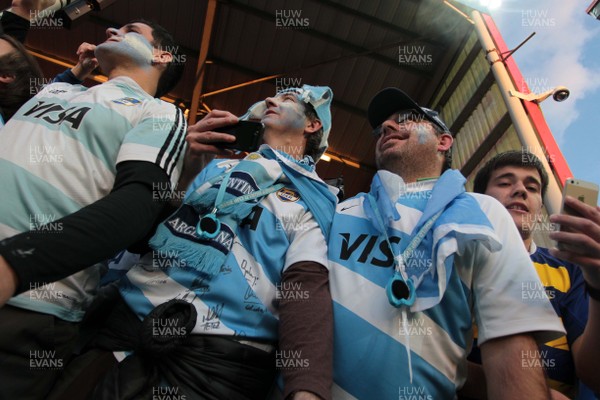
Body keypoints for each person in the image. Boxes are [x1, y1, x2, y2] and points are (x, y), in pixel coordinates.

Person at [47, 84, 337, 400]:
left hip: (207, 370)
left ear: (313, 124)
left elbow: (305, 290)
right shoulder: (216, 168)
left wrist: (307, 389)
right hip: (119, 334)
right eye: (273, 96)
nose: (270, 99)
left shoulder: (316, 201)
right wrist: (187, 167)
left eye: (288, 98)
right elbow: (144, 238)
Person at [327, 88, 566, 399]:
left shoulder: (482, 212)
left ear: (443, 142)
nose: (387, 127)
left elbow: (510, 344)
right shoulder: (336, 208)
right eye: (383, 125)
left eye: (407, 120)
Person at [0, 19, 186, 399]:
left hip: (26, 306)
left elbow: (137, 207)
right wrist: (75, 72)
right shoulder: (58, 91)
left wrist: (14, 264)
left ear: (161, 55)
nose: (110, 31)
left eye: (130, 29)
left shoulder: (159, 114)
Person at [468, 150, 600, 399]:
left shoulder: (569, 268)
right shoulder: (455, 258)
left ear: (540, 208)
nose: (520, 190)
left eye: (532, 187)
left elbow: (593, 375)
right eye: (505, 183)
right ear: (481, 199)